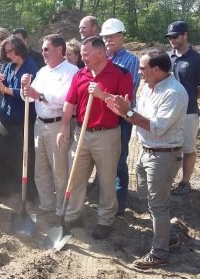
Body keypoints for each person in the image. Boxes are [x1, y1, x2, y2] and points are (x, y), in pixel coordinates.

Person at [105, 49, 187, 269]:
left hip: (163, 155)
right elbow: (138, 116)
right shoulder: (148, 88)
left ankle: (160, 253)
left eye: (143, 68)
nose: (139, 72)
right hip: (147, 151)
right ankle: (169, 236)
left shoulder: (174, 93)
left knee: (158, 205)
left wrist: (128, 113)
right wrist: (124, 111)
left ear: (158, 70)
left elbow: (157, 127)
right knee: (147, 197)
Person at [56, 37, 133, 239]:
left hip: (106, 135)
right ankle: (73, 215)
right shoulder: (80, 74)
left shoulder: (120, 74)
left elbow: (125, 111)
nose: (83, 58)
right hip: (81, 132)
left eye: (85, 54)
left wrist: (102, 95)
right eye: (81, 54)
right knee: (76, 177)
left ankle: (105, 220)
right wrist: (64, 126)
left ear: (100, 53)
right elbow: (69, 102)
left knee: (107, 180)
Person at [21, 34, 79, 216]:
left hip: (58, 124)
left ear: (60, 50)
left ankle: (62, 207)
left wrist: (38, 95)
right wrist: (25, 88)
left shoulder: (72, 71)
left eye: (47, 49)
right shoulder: (42, 71)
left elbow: (64, 100)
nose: (43, 53)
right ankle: (47, 203)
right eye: (43, 49)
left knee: (59, 170)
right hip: (39, 124)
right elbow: (28, 98)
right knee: (40, 168)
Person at [100, 18, 141, 216]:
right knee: (103, 159)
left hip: (121, 118)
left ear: (122, 37)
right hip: (102, 117)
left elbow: (127, 93)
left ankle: (119, 202)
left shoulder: (130, 61)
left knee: (119, 159)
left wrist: (103, 95)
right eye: (105, 37)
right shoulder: (101, 58)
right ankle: (105, 197)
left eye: (112, 36)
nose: (108, 40)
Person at [0, 35, 38, 197]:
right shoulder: (7, 66)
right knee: (2, 152)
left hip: (23, 118)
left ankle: (23, 191)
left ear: (19, 48)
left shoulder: (31, 66)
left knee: (21, 155)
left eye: (11, 51)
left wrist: (5, 90)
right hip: (5, 115)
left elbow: (27, 94)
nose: (9, 54)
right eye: (6, 52)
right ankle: (2, 188)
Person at [165, 21, 200, 196]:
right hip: (167, 112)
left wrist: (189, 98)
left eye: (175, 36)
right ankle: (167, 179)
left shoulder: (196, 59)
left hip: (189, 112)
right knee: (169, 147)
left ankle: (185, 182)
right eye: (169, 37)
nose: (172, 40)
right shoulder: (167, 58)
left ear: (185, 35)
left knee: (188, 148)